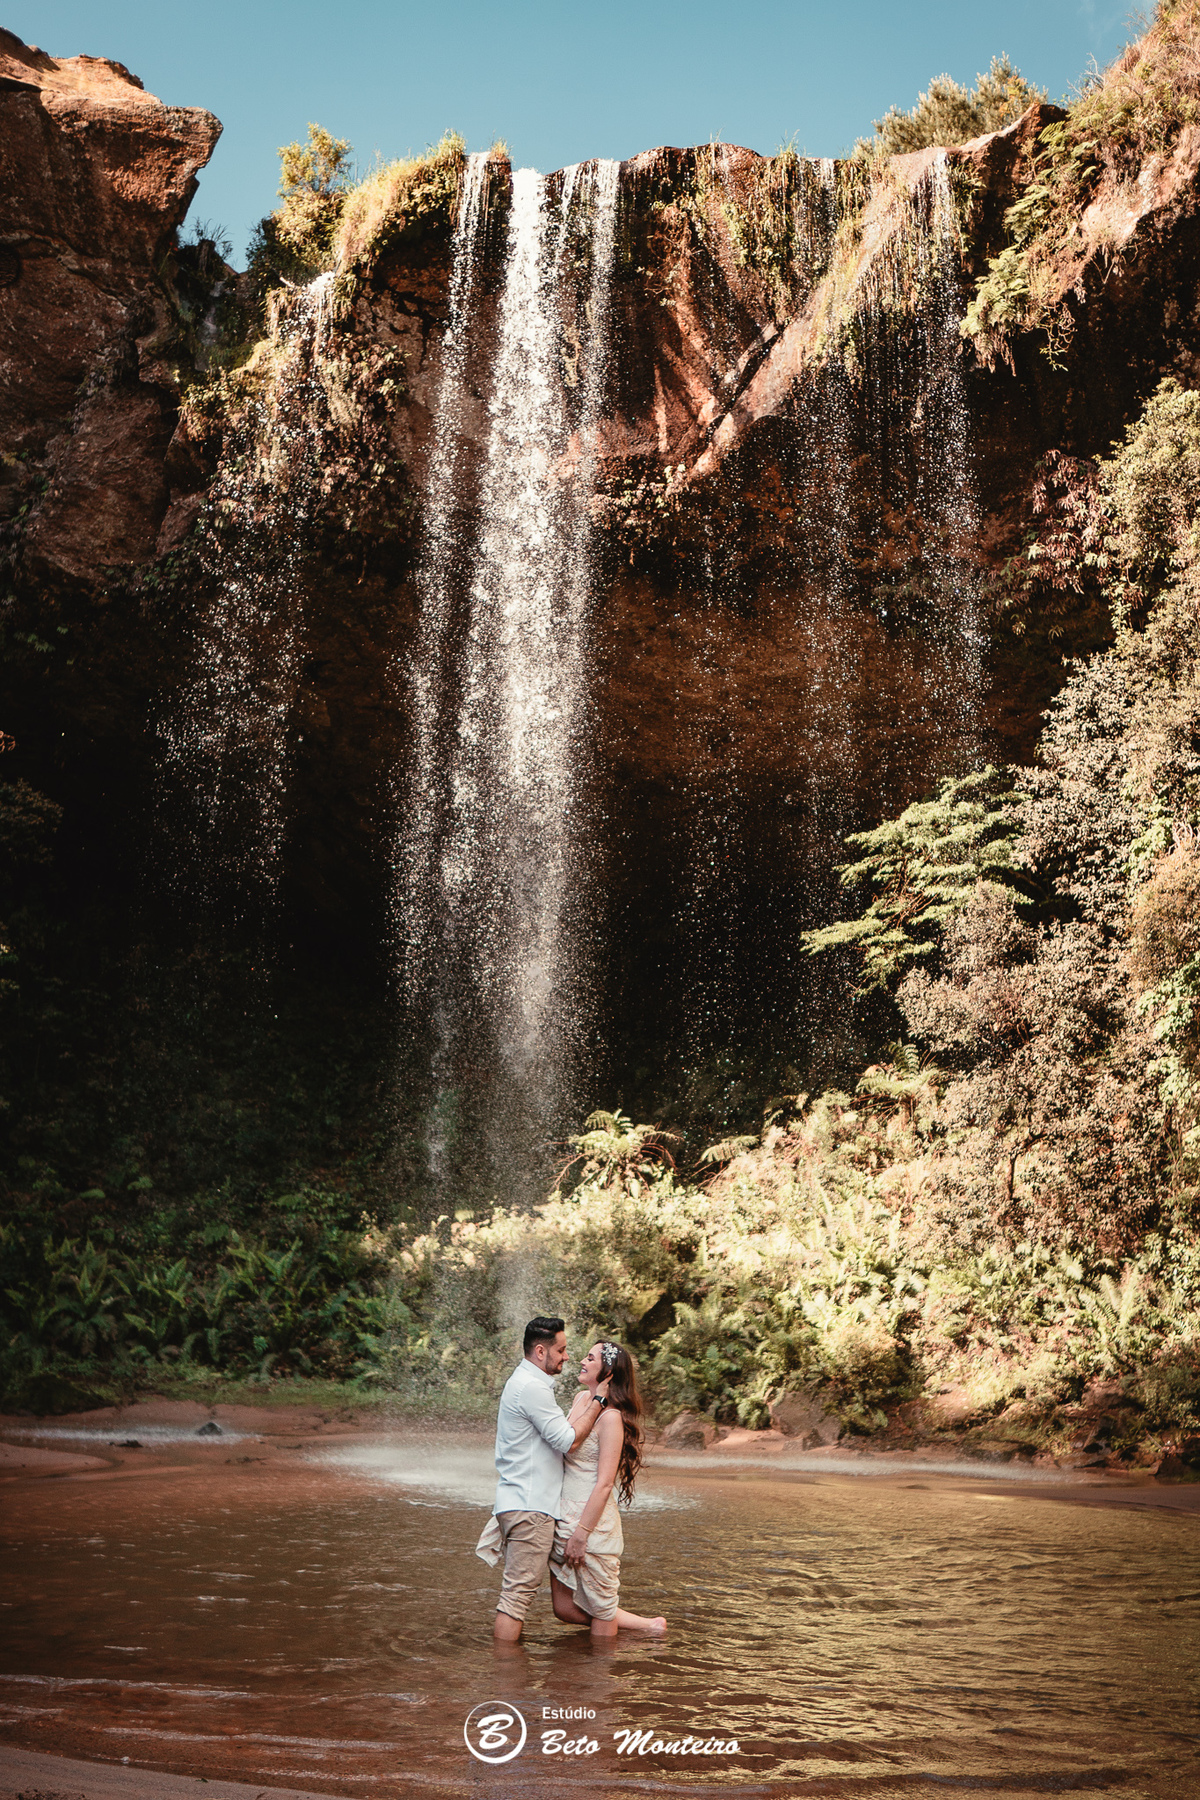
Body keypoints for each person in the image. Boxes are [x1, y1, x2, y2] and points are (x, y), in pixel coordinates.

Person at [475, 1315, 609, 1643]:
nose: (566, 1356)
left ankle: (510, 1677)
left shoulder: (524, 1383)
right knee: (516, 1598)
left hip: (520, 1502)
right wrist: (599, 1401)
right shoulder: (532, 1388)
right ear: (540, 1351)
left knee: (519, 1595)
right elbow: (568, 1441)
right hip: (530, 1508)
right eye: (561, 1350)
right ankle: (507, 1681)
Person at [549, 1340, 667, 1637]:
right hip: (563, 1517)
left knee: (602, 1611)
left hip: (592, 1525)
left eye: (591, 1358)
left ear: (608, 1372)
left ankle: (600, 1678)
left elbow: (604, 1484)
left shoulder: (612, 1418)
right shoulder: (579, 1400)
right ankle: (646, 1627)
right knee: (562, 1608)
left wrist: (581, 1534)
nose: (582, 1361)